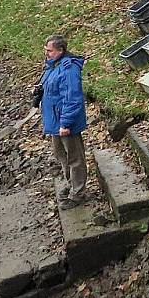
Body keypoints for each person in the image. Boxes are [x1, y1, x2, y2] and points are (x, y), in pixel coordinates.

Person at [35, 35, 88, 210]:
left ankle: (78, 193)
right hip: (54, 122)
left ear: (60, 50)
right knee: (60, 155)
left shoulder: (69, 69)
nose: (46, 53)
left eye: (49, 50)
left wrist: (65, 123)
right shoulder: (52, 66)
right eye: (46, 50)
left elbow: (72, 98)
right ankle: (71, 183)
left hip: (65, 123)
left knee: (75, 158)